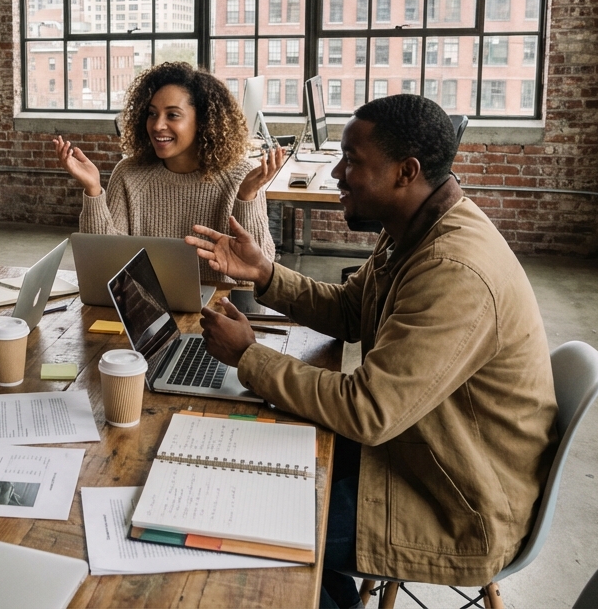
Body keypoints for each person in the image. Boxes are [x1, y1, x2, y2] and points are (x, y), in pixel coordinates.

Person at [188, 94, 558, 607]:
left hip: (453, 503)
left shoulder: (454, 272)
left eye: (353, 161)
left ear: (406, 172)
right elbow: (349, 312)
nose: (338, 172)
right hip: (415, 457)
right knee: (249, 468)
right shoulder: (414, 228)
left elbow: (367, 411)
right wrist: (267, 275)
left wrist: (250, 356)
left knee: (254, 521)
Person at [53, 61, 283, 282]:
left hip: (218, 309)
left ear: (202, 121)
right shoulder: (129, 174)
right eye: (152, 113)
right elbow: (102, 265)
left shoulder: (240, 176)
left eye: (172, 115)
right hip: (145, 309)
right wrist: (93, 190)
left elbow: (256, 272)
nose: (157, 125)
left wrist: (247, 197)